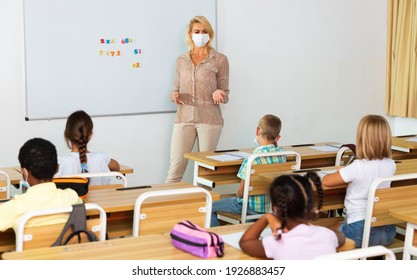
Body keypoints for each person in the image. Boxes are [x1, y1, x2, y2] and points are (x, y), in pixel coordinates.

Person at [165, 15, 230, 183]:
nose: (201, 35)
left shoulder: (220, 59)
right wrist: (175, 96)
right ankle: (165, 205)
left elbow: (225, 92)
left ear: (210, 34)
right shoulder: (181, 60)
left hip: (209, 119)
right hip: (184, 117)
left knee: (205, 172)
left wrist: (219, 93)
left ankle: (203, 208)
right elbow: (175, 89)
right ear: (190, 34)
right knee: (175, 167)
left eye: (204, 31)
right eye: (197, 31)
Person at [322, 114, 396, 248]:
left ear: (362, 140)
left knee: (326, 232)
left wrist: (341, 171)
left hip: (360, 233)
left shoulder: (358, 167)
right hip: (387, 231)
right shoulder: (391, 164)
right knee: (340, 225)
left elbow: (326, 181)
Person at [239, 172, 345, 260]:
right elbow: (341, 237)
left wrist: (266, 217)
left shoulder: (278, 242)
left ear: (276, 208)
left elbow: (245, 242)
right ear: (309, 205)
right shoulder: (326, 235)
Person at [210, 114, 284, 227]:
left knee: (208, 207)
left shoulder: (252, 159)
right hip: (273, 207)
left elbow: (240, 193)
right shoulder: (283, 155)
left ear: (257, 131)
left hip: (251, 208)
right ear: (277, 137)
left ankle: (217, 240)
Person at [0, 138, 83, 232]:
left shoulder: (15, 207)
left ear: (24, 173)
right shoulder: (72, 197)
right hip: (65, 246)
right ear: (57, 168)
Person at [55, 110, 120, 185]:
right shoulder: (101, 159)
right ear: (90, 135)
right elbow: (117, 167)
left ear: (66, 134)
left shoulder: (61, 163)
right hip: (99, 197)